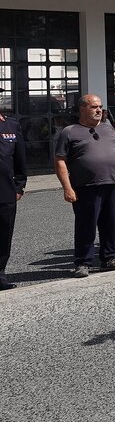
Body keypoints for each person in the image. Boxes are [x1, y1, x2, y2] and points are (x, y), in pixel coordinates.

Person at [54, 95, 115, 278]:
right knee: (86, 225)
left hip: (112, 184)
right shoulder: (70, 132)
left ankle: (110, 258)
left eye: (100, 107)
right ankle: (83, 262)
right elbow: (59, 160)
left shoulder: (108, 129)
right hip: (85, 186)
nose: (99, 110)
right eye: (94, 107)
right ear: (82, 109)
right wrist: (67, 187)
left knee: (111, 223)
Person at [0, 100, 28, 289]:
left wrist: (19, 186)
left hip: (5, 191)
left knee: (3, 235)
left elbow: (20, 158)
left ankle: (0, 274)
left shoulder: (11, 125)